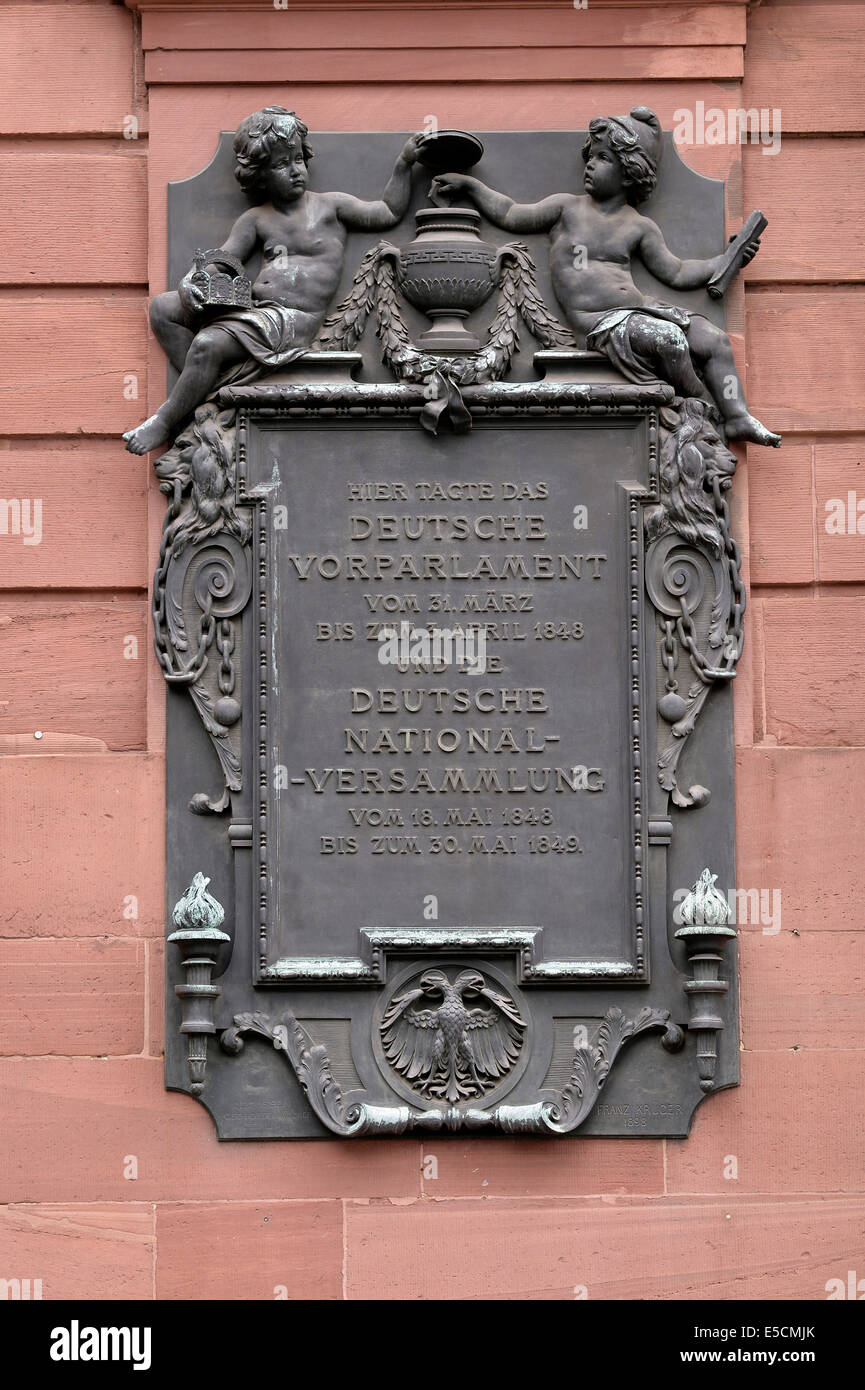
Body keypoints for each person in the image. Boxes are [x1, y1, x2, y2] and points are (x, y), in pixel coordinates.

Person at [431, 107, 780, 447]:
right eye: (591, 156)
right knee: (670, 340)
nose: (590, 165)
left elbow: (676, 271)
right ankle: (698, 402)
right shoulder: (566, 209)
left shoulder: (639, 226)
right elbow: (510, 213)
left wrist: (726, 260)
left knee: (714, 339)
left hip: (642, 311)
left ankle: (736, 417)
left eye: (603, 158)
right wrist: (470, 187)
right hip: (603, 323)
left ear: (630, 172)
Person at [124, 108, 426, 454]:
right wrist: (192, 280)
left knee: (207, 344)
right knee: (162, 308)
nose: (296, 170)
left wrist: (403, 164)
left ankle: (167, 418)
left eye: (298, 159)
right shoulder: (256, 219)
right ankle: (207, 391)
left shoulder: (331, 208)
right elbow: (223, 260)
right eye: (282, 165)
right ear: (261, 176)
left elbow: (387, 212)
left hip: (292, 321)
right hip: (255, 311)